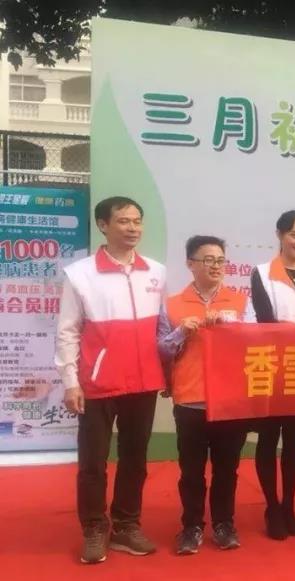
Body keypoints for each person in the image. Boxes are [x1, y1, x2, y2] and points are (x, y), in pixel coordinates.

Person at [57, 196, 166, 564]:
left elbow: (162, 329)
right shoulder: (80, 274)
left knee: (135, 459)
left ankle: (126, 526)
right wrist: (71, 381)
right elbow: (67, 331)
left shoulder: (156, 272)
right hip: (97, 384)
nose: (132, 228)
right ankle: (93, 528)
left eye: (137, 220)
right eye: (123, 221)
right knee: (93, 462)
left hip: (143, 383)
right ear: (103, 225)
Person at [159, 236, 248, 555]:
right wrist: (181, 331)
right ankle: (191, 526)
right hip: (190, 398)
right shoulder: (172, 304)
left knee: (227, 469)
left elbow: (254, 340)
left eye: (220, 260)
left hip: (230, 400)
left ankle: (224, 524)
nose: (216, 266)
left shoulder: (239, 301)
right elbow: (161, 348)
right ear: (190, 264)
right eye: (208, 260)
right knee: (192, 471)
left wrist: (228, 323)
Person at [247, 210, 295, 540]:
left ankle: (289, 505)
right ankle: (271, 507)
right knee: (268, 438)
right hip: (270, 365)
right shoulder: (262, 274)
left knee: (293, 439)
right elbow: (264, 320)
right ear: (280, 235)